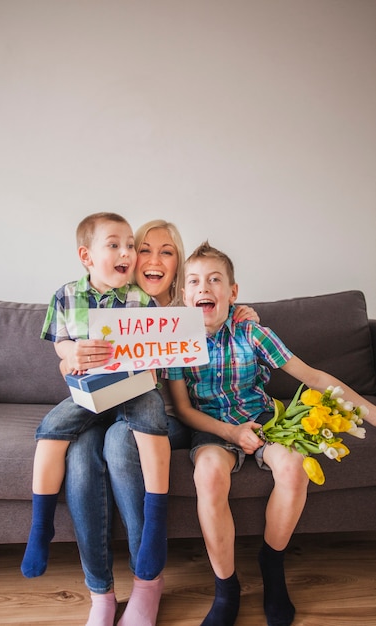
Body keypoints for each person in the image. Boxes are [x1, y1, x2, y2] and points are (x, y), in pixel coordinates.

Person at [57, 220, 260, 626]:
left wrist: (242, 313)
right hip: (110, 407)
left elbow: (224, 316)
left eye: (166, 252)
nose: (152, 259)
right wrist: (69, 357)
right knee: (79, 453)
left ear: (178, 263)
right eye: (144, 250)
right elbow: (71, 353)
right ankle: (100, 593)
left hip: (169, 419)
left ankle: (147, 581)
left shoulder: (191, 305)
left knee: (120, 442)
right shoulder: (117, 303)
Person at [163, 241, 376, 626]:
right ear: (184, 294)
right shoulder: (177, 342)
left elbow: (314, 378)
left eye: (215, 280)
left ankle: (272, 564)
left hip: (262, 419)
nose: (204, 287)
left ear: (233, 292)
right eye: (194, 281)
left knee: (294, 466)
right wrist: (230, 431)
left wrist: (373, 413)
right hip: (213, 425)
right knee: (207, 474)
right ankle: (225, 587)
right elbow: (182, 410)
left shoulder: (253, 334)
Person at [21, 213, 172, 626]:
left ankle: (155, 527)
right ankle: (42, 528)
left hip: (134, 389)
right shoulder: (67, 295)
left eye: (130, 245)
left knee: (151, 414)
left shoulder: (142, 300)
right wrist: (68, 354)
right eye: (116, 246)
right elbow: (61, 344)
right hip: (90, 395)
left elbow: (156, 352)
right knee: (53, 431)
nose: (127, 253)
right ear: (87, 256)